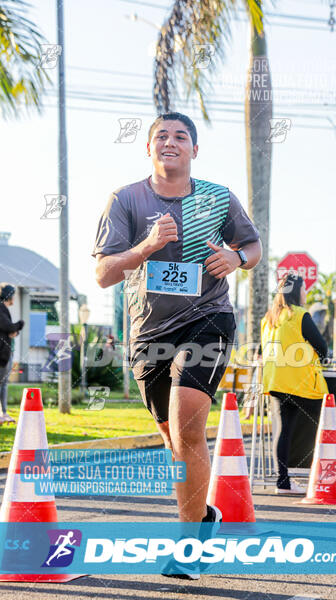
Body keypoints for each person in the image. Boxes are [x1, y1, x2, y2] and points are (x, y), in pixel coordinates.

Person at [93, 112, 261, 577]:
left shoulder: (217, 197)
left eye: (181, 136)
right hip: (149, 332)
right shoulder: (125, 199)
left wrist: (235, 256)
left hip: (208, 317)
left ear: (194, 149)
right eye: (161, 136)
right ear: (149, 148)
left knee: (189, 427)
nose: (171, 142)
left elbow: (252, 247)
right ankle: (204, 519)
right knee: (175, 442)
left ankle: (189, 548)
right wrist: (145, 247)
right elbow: (105, 274)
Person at [261, 273, 328, 495]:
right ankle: (327, 477)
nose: (305, 292)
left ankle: (283, 482)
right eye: (303, 289)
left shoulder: (269, 318)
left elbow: (263, 351)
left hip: (276, 382)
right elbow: (321, 346)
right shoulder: (300, 315)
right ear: (296, 291)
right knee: (326, 425)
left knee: (284, 431)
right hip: (301, 383)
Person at [0, 284, 24, 425]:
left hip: (6, 352)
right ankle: (3, 414)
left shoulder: (4, 310)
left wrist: (14, 329)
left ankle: (3, 413)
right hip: (2, 354)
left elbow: (9, 330)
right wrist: (20, 324)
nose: (14, 298)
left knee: (3, 384)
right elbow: (8, 327)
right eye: (12, 295)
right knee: (2, 384)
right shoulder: (1, 308)